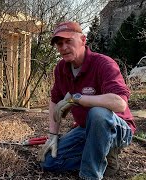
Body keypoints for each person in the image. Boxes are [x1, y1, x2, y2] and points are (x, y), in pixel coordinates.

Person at [38, 21, 136, 180]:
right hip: (86, 128)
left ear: (83, 40)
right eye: (59, 43)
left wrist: (77, 99)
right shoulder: (61, 69)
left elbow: (119, 103)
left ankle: (90, 174)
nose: (63, 47)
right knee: (49, 162)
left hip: (117, 128)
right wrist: (52, 136)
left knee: (98, 113)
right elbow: (55, 100)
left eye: (68, 41)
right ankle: (101, 156)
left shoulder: (103, 64)